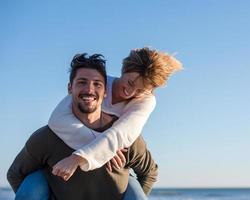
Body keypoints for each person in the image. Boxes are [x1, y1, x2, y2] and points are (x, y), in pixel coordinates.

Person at [7, 54, 158, 200]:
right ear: (69, 88)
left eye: (97, 84)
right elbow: (15, 174)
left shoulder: (126, 140)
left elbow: (149, 173)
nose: (89, 90)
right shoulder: (48, 137)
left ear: (106, 91)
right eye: (82, 82)